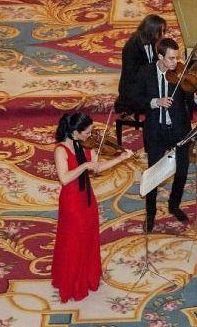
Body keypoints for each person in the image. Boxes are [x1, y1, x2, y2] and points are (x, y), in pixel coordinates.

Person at [51, 111, 133, 303]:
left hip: (87, 198)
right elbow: (65, 179)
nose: (91, 135)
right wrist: (84, 166)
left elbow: (97, 167)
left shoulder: (86, 144)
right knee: (74, 240)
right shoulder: (61, 150)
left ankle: (87, 277)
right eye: (87, 132)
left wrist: (121, 158)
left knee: (88, 236)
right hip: (72, 201)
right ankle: (72, 283)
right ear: (74, 132)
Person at [129, 38, 197, 232]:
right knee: (153, 174)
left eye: (177, 58)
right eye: (171, 58)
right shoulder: (145, 72)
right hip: (156, 131)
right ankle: (151, 213)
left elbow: (193, 102)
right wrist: (156, 102)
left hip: (179, 130)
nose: (175, 62)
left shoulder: (180, 75)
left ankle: (174, 205)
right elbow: (135, 100)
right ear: (160, 56)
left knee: (182, 171)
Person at [115, 14, 167, 115]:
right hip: (133, 88)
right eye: (160, 31)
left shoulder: (150, 41)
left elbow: (153, 60)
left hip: (144, 80)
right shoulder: (131, 48)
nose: (163, 35)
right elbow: (132, 75)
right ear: (152, 31)